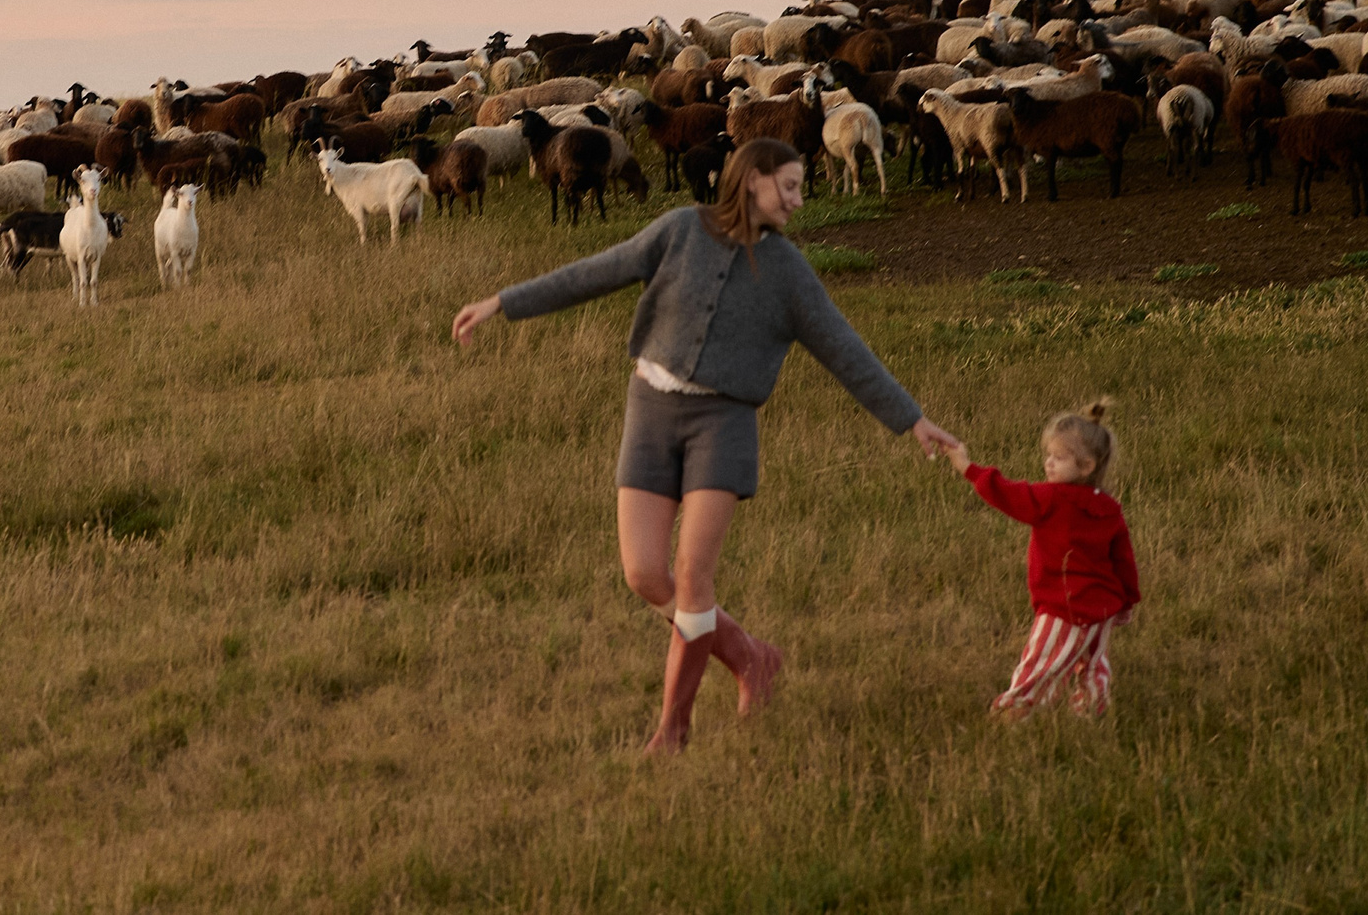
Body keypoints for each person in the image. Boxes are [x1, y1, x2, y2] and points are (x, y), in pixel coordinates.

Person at [451, 137, 962, 754]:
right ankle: (750, 655)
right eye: (791, 186)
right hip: (651, 412)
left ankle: (673, 728)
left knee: (693, 579)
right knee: (643, 573)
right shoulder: (680, 230)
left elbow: (844, 350)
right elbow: (597, 272)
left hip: (725, 425)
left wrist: (912, 419)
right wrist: (503, 303)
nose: (800, 200)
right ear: (752, 181)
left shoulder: (789, 272)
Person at [944, 399, 1140, 718]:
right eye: (1048, 455)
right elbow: (1123, 561)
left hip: (1065, 607)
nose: (1049, 463)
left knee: (1040, 664)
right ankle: (1092, 710)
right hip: (1103, 608)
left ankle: (1016, 711)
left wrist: (966, 466)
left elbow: (1005, 493)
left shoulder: (1050, 499)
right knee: (1093, 665)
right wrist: (1127, 601)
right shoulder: (1108, 507)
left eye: (1059, 458)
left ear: (1086, 467)